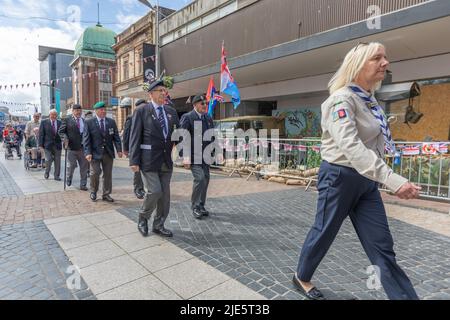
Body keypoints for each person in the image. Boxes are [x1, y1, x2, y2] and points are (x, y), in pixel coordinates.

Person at [292, 42, 421, 300]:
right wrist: (392, 179)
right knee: (324, 232)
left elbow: (372, 143)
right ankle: (301, 276)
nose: (385, 63)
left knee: (382, 248)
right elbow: (351, 146)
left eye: (385, 57)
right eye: (377, 58)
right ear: (358, 65)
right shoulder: (341, 100)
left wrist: (383, 171)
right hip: (339, 177)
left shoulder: (368, 99)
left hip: (366, 181)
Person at [129, 79, 180, 237]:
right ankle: (143, 217)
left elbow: (178, 134)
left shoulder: (171, 111)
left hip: (166, 160)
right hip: (149, 160)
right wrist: (134, 160)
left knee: (165, 196)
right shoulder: (142, 111)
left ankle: (159, 224)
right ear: (150, 94)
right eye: (159, 91)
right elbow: (135, 136)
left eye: (164, 91)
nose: (163, 93)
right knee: (154, 191)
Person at [180, 95, 215, 219]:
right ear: (195, 105)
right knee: (199, 178)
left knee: (205, 180)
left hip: (205, 155)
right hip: (193, 155)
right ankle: (195, 206)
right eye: (202, 103)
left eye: (205, 103)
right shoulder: (188, 117)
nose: (205, 105)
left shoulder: (208, 118)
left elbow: (211, 136)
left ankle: (201, 205)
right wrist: (185, 157)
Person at [82, 101, 122, 202]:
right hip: (94, 153)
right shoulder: (89, 122)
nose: (104, 111)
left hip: (108, 152)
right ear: (96, 111)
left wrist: (119, 150)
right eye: (101, 109)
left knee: (107, 174)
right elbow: (86, 139)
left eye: (104, 109)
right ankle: (93, 191)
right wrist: (87, 152)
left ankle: (106, 194)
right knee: (95, 172)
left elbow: (116, 137)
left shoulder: (111, 122)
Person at [59, 104, 89, 191]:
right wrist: (65, 139)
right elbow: (61, 131)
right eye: (76, 111)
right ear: (73, 111)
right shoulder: (67, 120)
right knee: (71, 165)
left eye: (80, 110)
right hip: (71, 148)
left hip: (83, 148)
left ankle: (83, 184)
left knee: (84, 167)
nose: (78, 112)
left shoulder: (84, 121)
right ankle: (69, 177)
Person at [122, 98, 146, 199]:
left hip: (147, 148)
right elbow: (126, 134)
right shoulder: (131, 117)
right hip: (136, 148)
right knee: (137, 169)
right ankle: (138, 188)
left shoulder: (149, 116)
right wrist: (126, 149)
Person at [39, 109, 62, 180]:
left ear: (57, 115)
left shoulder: (60, 123)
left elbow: (63, 133)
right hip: (47, 145)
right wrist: (40, 145)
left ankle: (56, 176)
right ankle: (47, 172)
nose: (54, 116)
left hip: (57, 145)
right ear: (49, 115)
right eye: (52, 114)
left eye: (55, 114)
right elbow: (41, 134)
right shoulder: (44, 122)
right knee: (48, 159)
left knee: (57, 161)